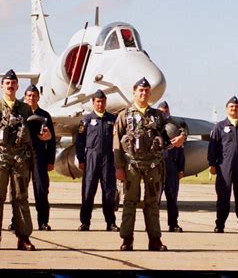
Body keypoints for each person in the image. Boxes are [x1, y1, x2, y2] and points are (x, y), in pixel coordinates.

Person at [0, 69, 51, 250]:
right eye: (7, 83)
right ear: (2, 86)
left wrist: (46, 136)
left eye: (13, 84)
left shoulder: (25, 109)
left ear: (17, 86)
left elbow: (35, 135)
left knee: (21, 197)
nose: (10, 86)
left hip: (20, 159)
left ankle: (24, 237)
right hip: (0, 158)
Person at [113, 77, 186, 251]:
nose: (143, 93)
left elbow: (181, 126)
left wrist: (182, 136)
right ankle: (127, 239)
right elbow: (116, 143)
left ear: (149, 93)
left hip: (153, 166)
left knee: (152, 203)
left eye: (146, 91)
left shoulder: (158, 115)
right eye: (140, 90)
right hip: (132, 165)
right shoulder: (124, 115)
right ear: (134, 92)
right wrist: (118, 167)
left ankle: (155, 240)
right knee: (129, 202)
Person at [8, 84, 56, 231]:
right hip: (21, 157)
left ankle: (43, 222)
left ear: (38, 97)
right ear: (25, 96)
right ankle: (16, 220)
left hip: (39, 157)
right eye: (29, 95)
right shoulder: (18, 113)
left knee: (41, 190)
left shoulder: (45, 115)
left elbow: (52, 140)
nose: (31, 98)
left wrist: (50, 160)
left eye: (34, 96)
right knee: (18, 190)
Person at [207, 96, 238, 234]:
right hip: (224, 167)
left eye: (236, 106)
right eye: (231, 106)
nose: (234, 108)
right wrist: (212, 164)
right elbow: (213, 147)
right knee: (223, 197)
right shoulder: (219, 127)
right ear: (226, 109)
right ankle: (220, 225)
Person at [76, 89, 119, 232]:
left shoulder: (112, 120)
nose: (100, 104)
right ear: (93, 103)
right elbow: (80, 141)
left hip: (108, 158)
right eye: (98, 101)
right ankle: (85, 222)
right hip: (91, 158)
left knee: (109, 192)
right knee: (88, 191)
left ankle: (110, 222)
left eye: (103, 101)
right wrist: (81, 158)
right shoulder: (86, 120)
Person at [157, 101, 186, 232]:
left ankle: (173, 224)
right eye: (162, 111)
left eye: (166, 110)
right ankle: (152, 224)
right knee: (154, 199)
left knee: (172, 199)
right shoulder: (153, 125)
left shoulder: (176, 126)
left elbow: (180, 150)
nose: (164, 113)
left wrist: (181, 169)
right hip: (156, 168)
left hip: (172, 168)